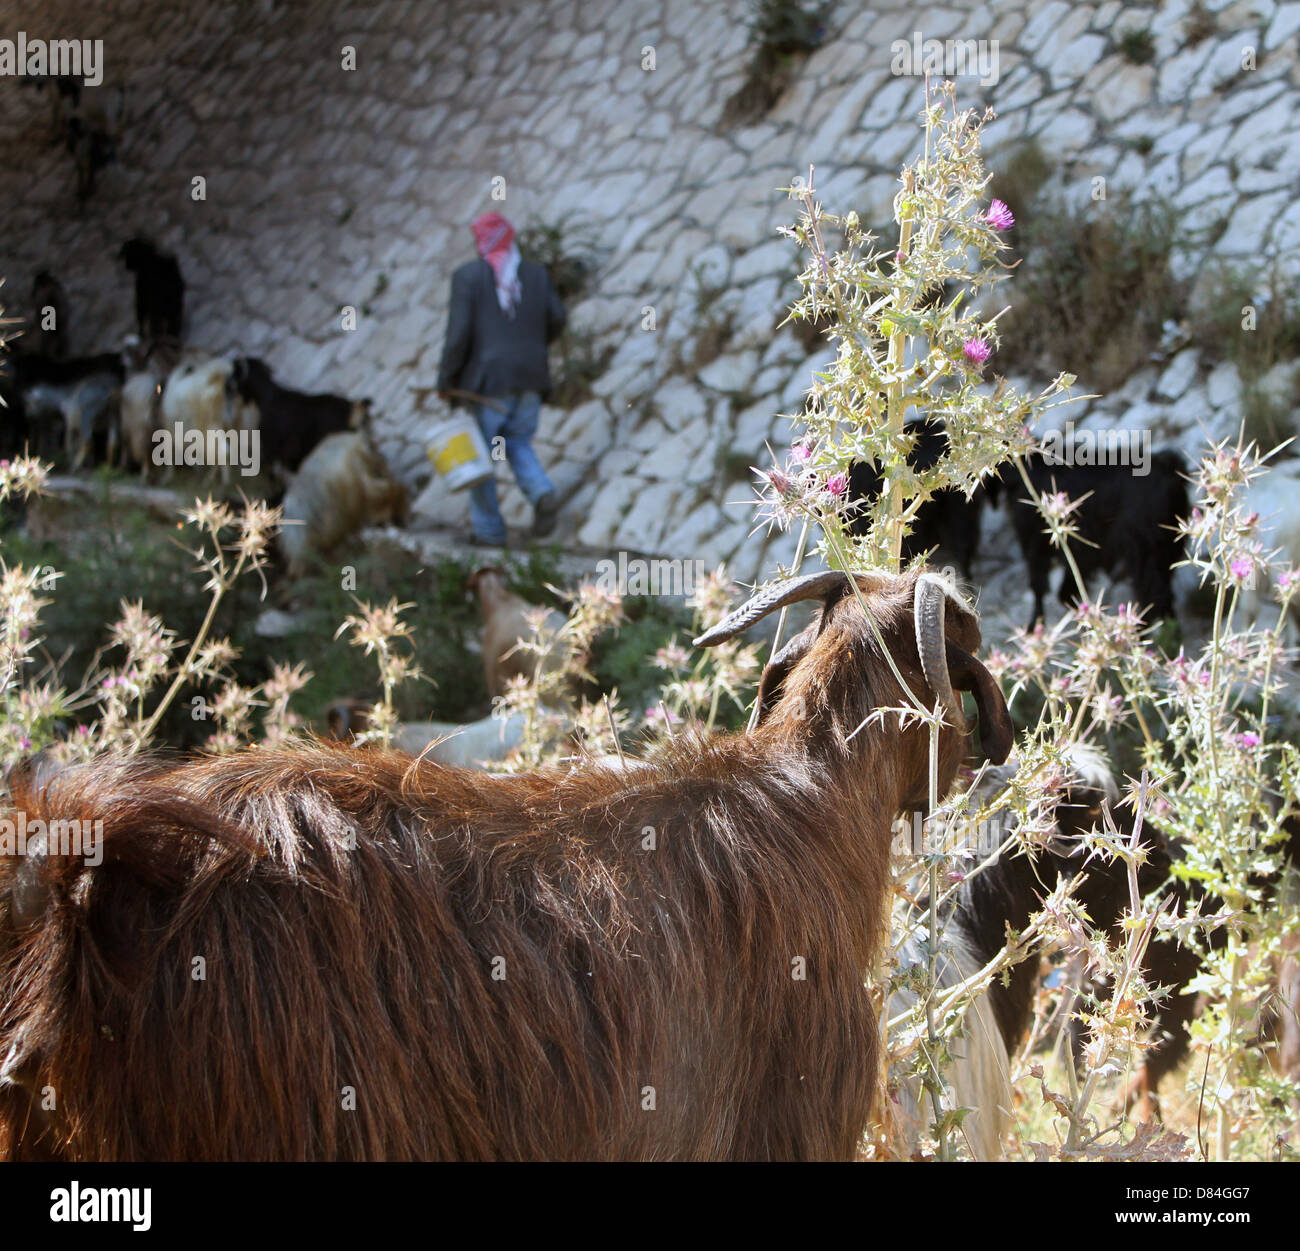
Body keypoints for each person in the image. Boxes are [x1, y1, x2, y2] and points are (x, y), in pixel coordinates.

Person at [436, 211, 566, 546]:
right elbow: (557, 317)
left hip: (487, 382)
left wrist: (446, 380)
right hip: (532, 376)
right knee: (518, 442)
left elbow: (458, 333)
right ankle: (541, 493)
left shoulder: (469, 276)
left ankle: (490, 532)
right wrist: (535, 347)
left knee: (481, 456)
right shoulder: (535, 274)